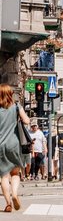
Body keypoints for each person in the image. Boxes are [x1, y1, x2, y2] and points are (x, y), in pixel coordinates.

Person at [0, 83, 30, 212]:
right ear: (11, 94)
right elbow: (27, 121)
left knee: (4, 176)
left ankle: (7, 203)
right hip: (14, 144)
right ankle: (15, 194)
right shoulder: (17, 106)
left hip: (0, 145)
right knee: (15, 173)